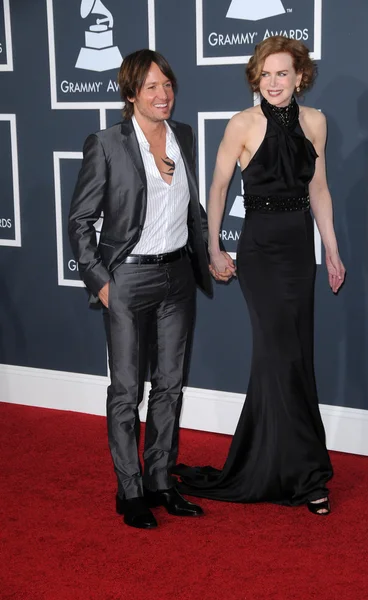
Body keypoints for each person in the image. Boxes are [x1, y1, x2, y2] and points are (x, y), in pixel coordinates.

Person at [172, 36, 346, 516]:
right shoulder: (242, 124)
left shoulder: (315, 123)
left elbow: (320, 189)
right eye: (265, 74)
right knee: (278, 355)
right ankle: (302, 475)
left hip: (298, 250)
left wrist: (331, 250)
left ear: (300, 77)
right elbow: (220, 186)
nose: (273, 82)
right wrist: (213, 244)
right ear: (256, 77)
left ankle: (296, 467)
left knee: (297, 356)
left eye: (283, 73)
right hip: (261, 252)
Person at [68, 49, 233, 529]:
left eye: (168, 85)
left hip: (178, 276)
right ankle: (130, 489)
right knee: (126, 390)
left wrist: (211, 254)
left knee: (170, 384)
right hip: (128, 279)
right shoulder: (107, 143)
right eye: (152, 87)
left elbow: (191, 210)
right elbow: (80, 221)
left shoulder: (183, 136)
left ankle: (160, 480)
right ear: (131, 93)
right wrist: (101, 282)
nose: (163, 95)